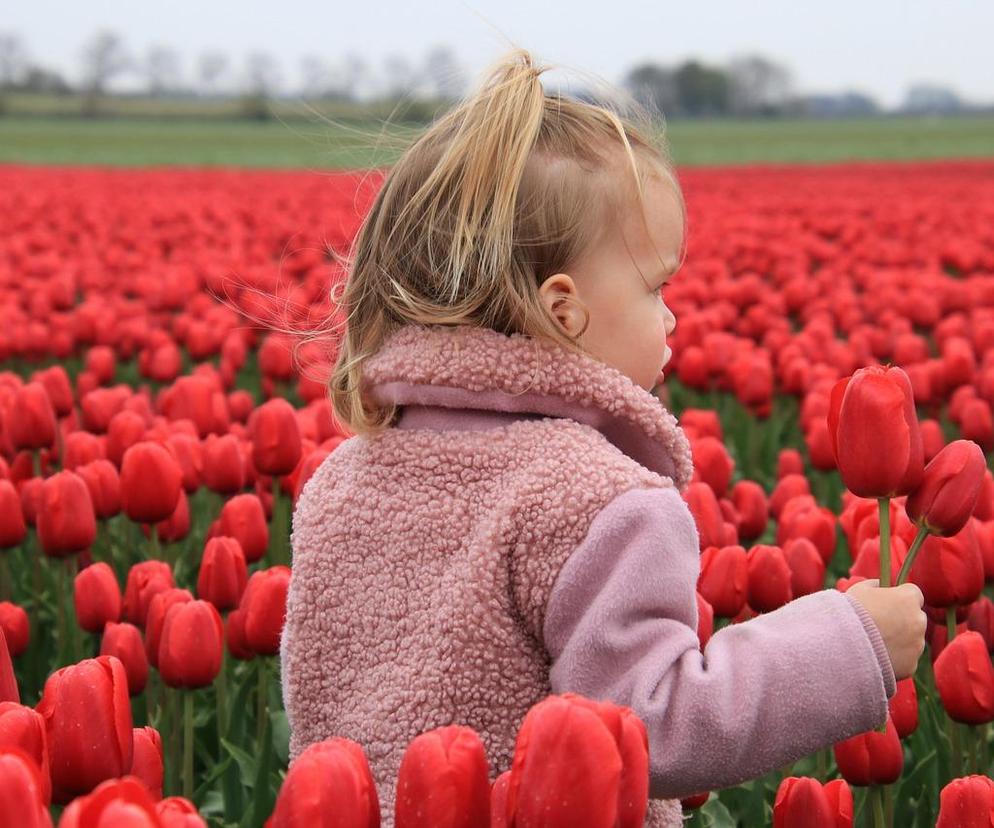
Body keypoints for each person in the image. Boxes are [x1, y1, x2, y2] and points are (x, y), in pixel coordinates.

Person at [279, 46, 927, 827]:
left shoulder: (343, 479)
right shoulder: (598, 500)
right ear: (564, 309)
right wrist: (846, 644)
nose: (672, 316)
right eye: (657, 287)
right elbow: (651, 722)